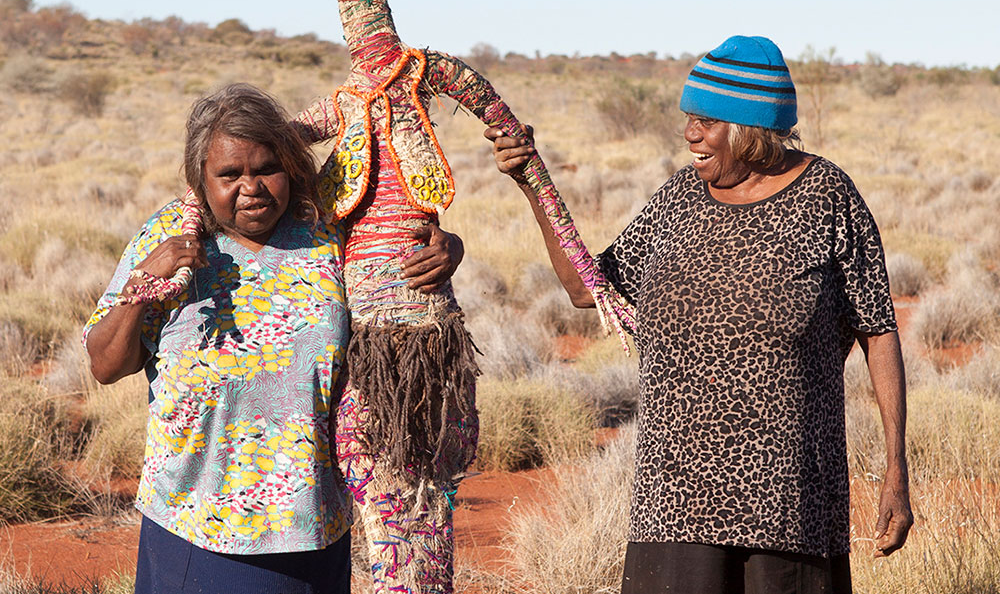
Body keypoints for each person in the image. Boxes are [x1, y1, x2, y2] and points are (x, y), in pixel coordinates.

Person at [486, 35, 912, 594]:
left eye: (707, 121)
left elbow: (878, 332)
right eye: (689, 118)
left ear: (750, 128)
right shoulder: (681, 197)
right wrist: (532, 182)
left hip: (790, 499)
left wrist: (896, 476)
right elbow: (588, 290)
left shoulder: (828, 197)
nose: (691, 134)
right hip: (675, 499)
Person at [84, 83, 463, 594]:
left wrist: (447, 248)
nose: (252, 187)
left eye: (266, 169)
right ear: (202, 178)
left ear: (290, 166)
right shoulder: (172, 236)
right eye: (229, 174)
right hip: (201, 528)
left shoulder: (327, 233)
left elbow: (402, 271)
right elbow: (106, 364)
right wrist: (143, 287)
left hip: (315, 527)